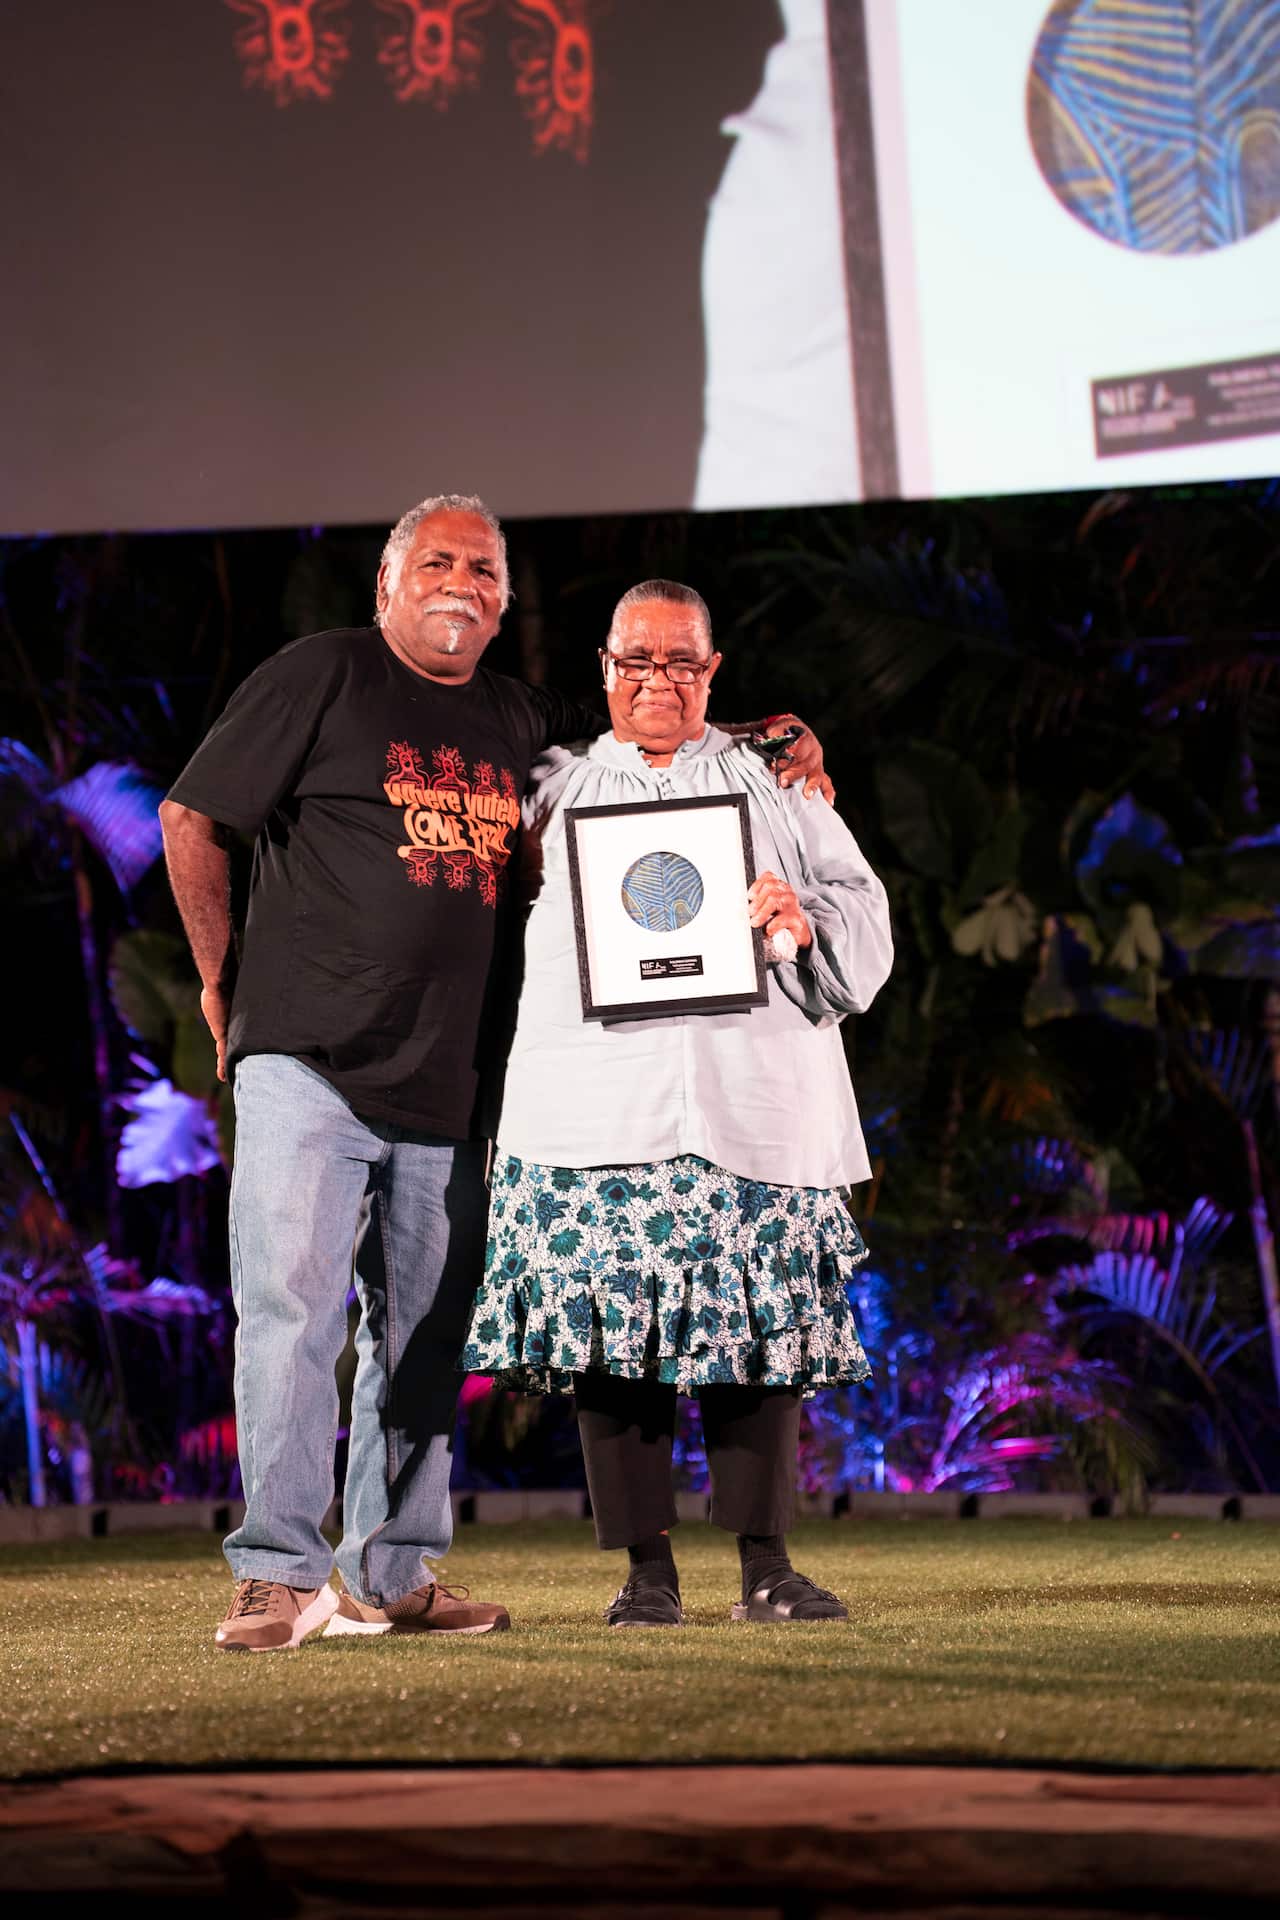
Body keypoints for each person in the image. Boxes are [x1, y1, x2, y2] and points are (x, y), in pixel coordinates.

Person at [160, 497, 827, 1652]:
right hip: (306, 1062)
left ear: (504, 598)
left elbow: (651, 711)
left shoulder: (524, 722)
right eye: (435, 562)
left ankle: (399, 1572)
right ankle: (276, 1575)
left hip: (451, 1080)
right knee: (291, 1314)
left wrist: (783, 735)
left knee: (422, 1342)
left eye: (481, 565)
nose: (458, 580)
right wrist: (220, 986)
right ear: (387, 584)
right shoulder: (322, 674)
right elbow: (189, 816)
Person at [463, 579, 893, 1626]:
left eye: (681, 663)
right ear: (603, 670)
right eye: (635, 662)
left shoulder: (778, 781)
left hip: (753, 1099)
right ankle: (643, 1576)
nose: (657, 680)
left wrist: (802, 914)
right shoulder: (545, 788)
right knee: (612, 1346)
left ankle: (765, 1568)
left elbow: (864, 914)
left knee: (755, 1340)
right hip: (588, 1104)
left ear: (712, 673)